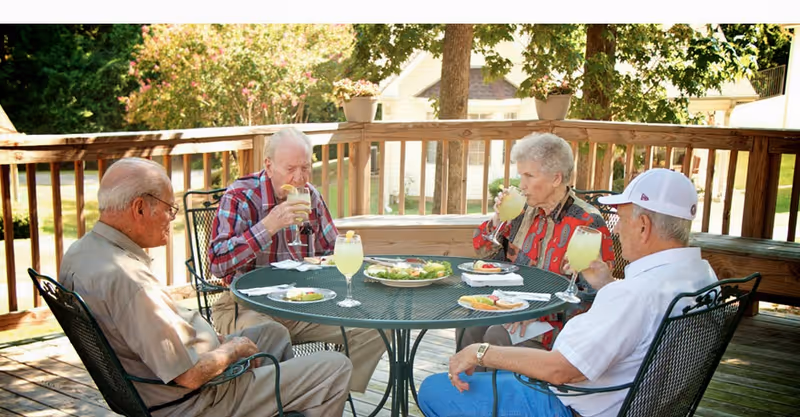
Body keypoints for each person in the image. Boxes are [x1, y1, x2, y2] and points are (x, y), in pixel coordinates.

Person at [59, 157, 352, 417]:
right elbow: (189, 376)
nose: (172, 219)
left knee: (272, 333)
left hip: (157, 387)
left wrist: (212, 340)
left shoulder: (82, 253)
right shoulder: (130, 282)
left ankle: (280, 402)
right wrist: (232, 349)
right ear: (139, 208)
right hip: (199, 402)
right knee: (335, 367)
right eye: (167, 209)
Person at [419, 168, 718, 417]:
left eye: (623, 221)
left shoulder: (635, 294)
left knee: (433, 389)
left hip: (567, 406)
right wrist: (605, 282)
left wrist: (480, 353)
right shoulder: (701, 277)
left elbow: (562, 371)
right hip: (642, 403)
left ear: (643, 226)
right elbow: (643, 316)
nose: (616, 231)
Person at [208, 126, 386, 393]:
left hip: (302, 303)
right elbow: (217, 263)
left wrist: (352, 255)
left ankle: (328, 395)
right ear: (268, 165)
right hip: (244, 306)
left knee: (376, 327)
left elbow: (330, 251)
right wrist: (268, 226)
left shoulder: (309, 196)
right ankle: (285, 401)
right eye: (291, 169)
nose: (300, 177)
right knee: (270, 333)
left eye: (305, 168)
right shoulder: (240, 196)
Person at [459, 133, 615, 357]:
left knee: (497, 336)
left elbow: (592, 295)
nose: (521, 185)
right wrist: (496, 219)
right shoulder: (522, 211)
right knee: (468, 323)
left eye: (529, 176)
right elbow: (483, 251)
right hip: (511, 305)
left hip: (557, 322)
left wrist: (540, 312)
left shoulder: (587, 223)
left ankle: (500, 392)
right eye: (520, 175)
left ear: (556, 179)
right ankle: (465, 388)